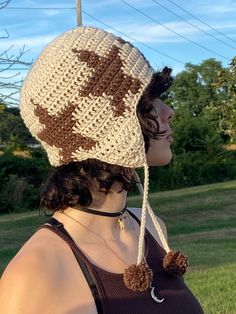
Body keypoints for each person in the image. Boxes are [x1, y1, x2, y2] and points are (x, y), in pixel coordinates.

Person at [0, 27, 204, 313]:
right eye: (147, 102)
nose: (168, 110)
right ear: (104, 126)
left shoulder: (151, 228)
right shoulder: (35, 275)